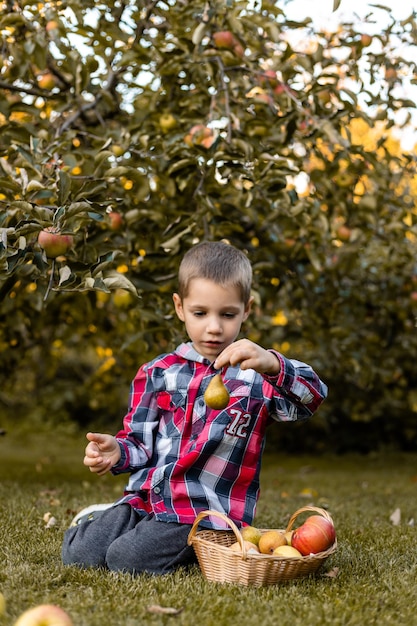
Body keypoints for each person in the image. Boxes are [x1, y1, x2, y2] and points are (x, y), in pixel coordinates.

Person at [62, 241, 327, 575]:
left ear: (246, 309)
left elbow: (312, 396)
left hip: (201, 513)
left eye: (227, 314)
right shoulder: (157, 372)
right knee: (80, 553)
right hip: (146, 500)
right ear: (180, 307)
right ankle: (115, 521)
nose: (214, 327)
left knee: (126, 560)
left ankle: (202, 547)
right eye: (200, 313)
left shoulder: (255, 377)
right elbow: (139, 444)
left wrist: (273, 363)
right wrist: (117, 451)